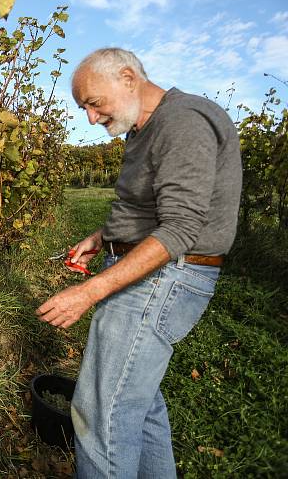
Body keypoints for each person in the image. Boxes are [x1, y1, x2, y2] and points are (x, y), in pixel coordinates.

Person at [36, 48, 241, 478]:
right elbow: (147, 209)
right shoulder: (141, 129)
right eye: (83, 108)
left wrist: (89, 291)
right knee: (138, 403)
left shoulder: (182, 121)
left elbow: (181, 229)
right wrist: (102, 237)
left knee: (101, 414)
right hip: (155, 274)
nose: (90, 118)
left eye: (93, 103)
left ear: (128, 78)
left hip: (167, 277)